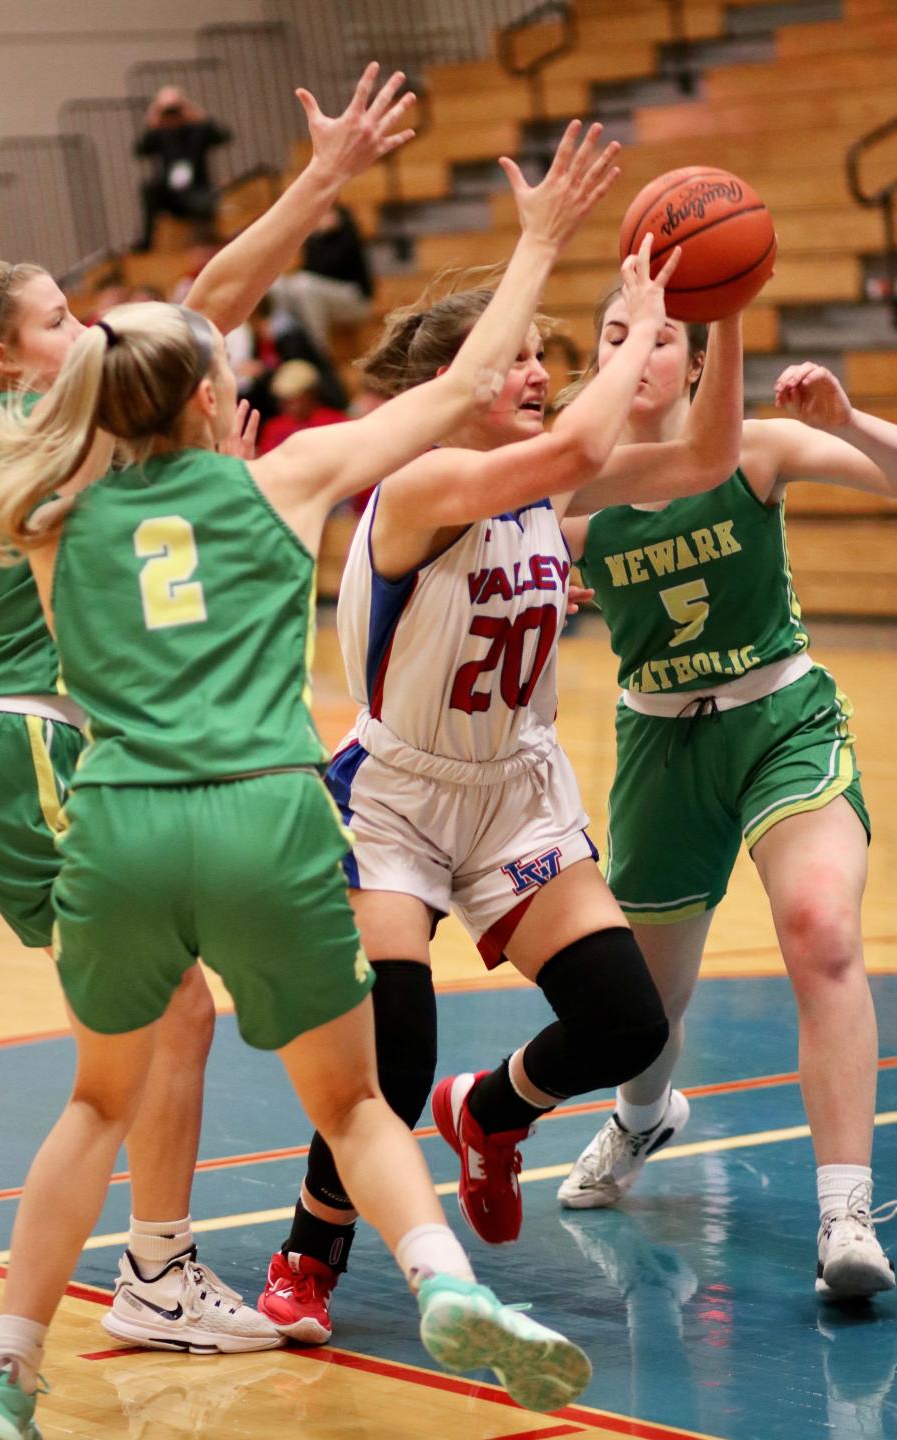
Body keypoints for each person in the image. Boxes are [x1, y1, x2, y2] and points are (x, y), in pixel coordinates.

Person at [0, 110, 625, 1440]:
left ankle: (4, 1380)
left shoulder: (40, 502)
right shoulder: (286, 480)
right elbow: (457, 386)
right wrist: (541, 241)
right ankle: (440, 1281)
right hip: (264, 813)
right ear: (212, 401)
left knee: (95, 1102)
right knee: (357, 1102)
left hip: (123, 826)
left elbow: (150, 348)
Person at [0, 62, 420, 1383]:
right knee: (177, 1017)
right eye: (56, 317)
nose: (87, 326)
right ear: (5, 358)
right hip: (12, 741)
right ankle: (155, 1269)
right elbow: (204, 311)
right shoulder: (52, 428)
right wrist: (321, 178)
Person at [255, 186, 746, 1349]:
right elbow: (580, 439)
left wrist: (717, 319)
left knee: (629, 1027)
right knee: (395, 1048)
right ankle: (306, 1254)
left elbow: (708, 454)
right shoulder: (419, 488)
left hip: (515, 793)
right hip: (401, 799)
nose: (538, 373)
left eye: (544, 357)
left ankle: (492, 1109)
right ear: (463, 376)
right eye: (519, 358)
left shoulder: (545, 479)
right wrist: (634, 326)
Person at [555, 302, 897, 1302]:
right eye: (614, 334)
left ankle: (844, 1212)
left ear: (700, 362)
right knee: (644, 1012)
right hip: (660, 745)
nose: (636, 349)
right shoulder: (573, 495)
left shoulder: (752, 452)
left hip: (778, 718)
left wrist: (846, 423)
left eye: (660, 334)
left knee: (821, 929)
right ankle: (644, 1113)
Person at [134, 87, 231, 251]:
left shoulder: (198, 130)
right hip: (171, 194)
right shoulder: (159, 134)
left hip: (196, 191)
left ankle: (206, 244)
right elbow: (140, 150)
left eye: (175, 109)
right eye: (168, 111)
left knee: (205, 203)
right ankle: (146, 243)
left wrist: (194, 114)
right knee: (149, 189)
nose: (172, 115)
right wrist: (154, 117)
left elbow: (223, 136)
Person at [272, 202, 373, 352]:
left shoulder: (348, 234)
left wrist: (320, 235)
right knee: (278, 285)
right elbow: (310, 268)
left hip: (355, 297)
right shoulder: (314, 239)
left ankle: (319, 352)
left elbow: (329, 265)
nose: (322, 219)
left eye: (327, 214)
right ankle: (284, 344)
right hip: (320, 293)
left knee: (305, 285)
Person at [258, 359, 348, 453]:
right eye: (285, 400)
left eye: (296, 398)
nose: (290, 406)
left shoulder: (336, 422)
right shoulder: (273, 428)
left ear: (312, 394)